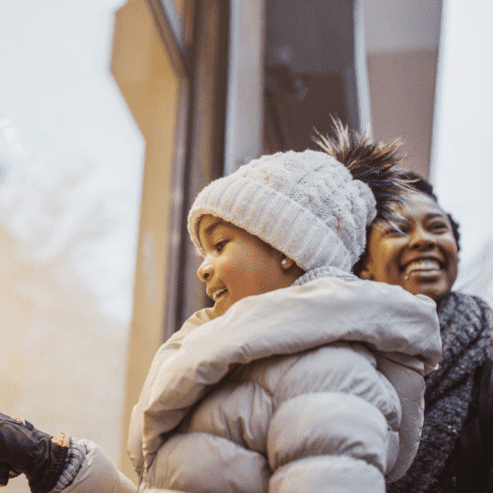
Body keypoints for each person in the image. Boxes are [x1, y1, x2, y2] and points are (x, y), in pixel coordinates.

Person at [0, 120, 441, 493]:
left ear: (286, 246)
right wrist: (54, 462)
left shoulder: (329, 372)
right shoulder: (242, 364)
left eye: (221, 245)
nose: (203, 269)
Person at [353, 170, 493, 493]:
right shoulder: (336, 358)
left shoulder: (488, 364)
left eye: (437, 227)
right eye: (399, 230)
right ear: (364, 265)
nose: (423, 239)